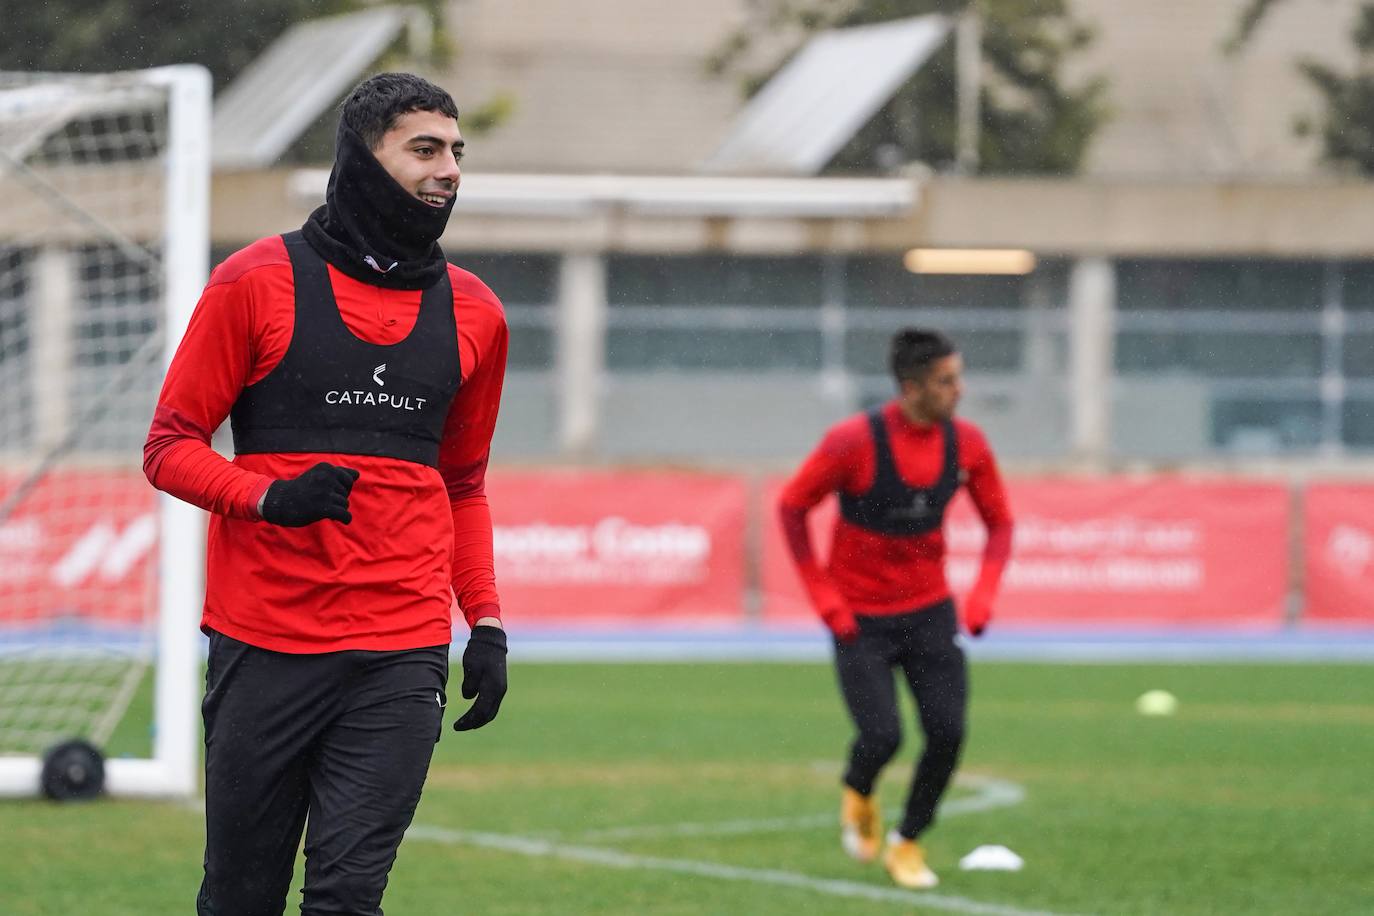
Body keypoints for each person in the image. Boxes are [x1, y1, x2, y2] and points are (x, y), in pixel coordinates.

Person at [143, 72, 509, 915]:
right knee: (239, 897)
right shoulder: (255, 281)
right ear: (363, 158)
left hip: (400, 653)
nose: (448, 168)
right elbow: (168, 448)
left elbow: (464, 486)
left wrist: (483, 620)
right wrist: (269, 499)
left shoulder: (478, 312)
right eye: (424, 148)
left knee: (347, 898)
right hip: (263, 644)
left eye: (457, 151)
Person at [777, 328, 1013, 889]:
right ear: (910, 387)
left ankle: (907, 842)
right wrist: (825, 600)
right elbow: (792, 508)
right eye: (946, 380)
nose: (959, 389)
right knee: (882, 737)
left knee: (948, 733)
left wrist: (982, 595)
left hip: (930, 613)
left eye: (958, 377)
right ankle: (859, 789)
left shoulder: (969, 444)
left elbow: (1000, 521)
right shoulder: (851, 442)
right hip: (860, 619)